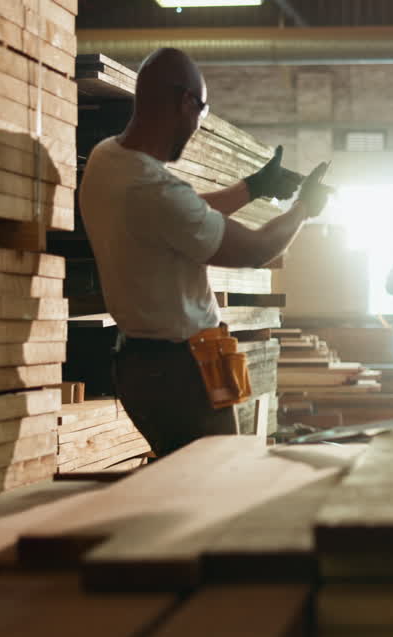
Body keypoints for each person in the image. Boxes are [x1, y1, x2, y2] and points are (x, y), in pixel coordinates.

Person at [79, 48, 331, 458]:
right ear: (185, 103)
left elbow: (180, 216)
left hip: (139, 363)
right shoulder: (154, 190)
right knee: (213, 488)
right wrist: (304, 208)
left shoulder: (108, 158)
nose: (198, 124)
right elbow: (255, 249)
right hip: (181, 371)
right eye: (202, 110)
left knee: (179, 483)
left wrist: (253, 187)